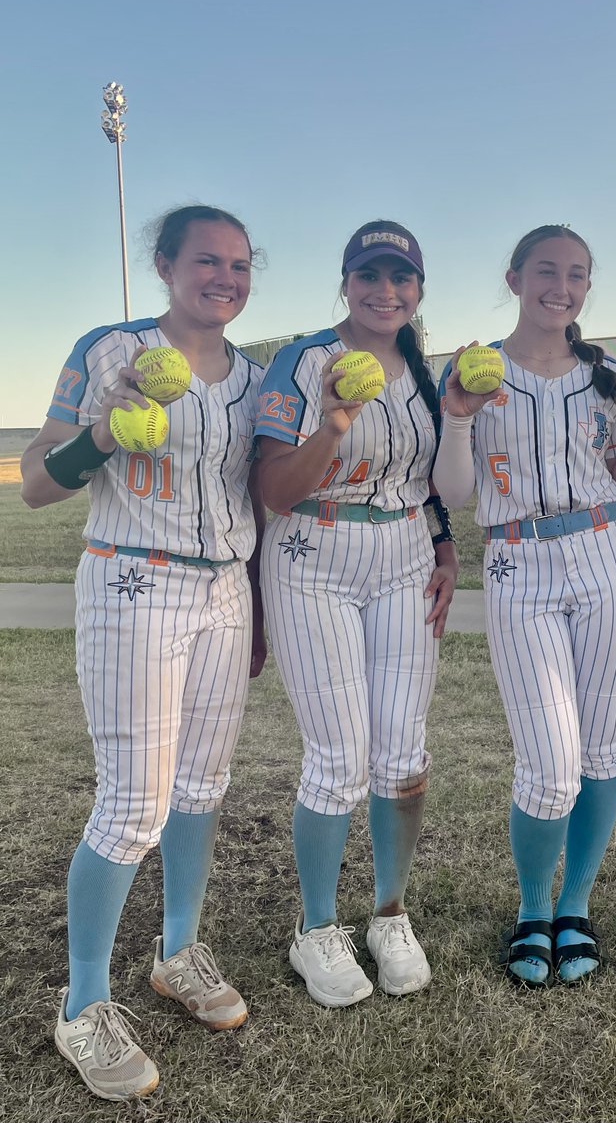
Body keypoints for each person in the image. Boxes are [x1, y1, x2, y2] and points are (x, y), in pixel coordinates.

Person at [21, 205, 267, 1100]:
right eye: (208, 260)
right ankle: (83, 1004)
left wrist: (263, 608)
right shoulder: (110, 349)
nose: (227, 278)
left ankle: (178, 953)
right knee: (134, 804)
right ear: (165, 263)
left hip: (226, 588)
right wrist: (100, 431)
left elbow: (259, 494)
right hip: (134, 579)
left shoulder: (258, 375)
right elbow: (37, 485)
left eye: (241, 265)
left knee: (203, 787)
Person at [433, 224, 616, 986]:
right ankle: (532, 908)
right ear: (514, 277)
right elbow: (455, 493)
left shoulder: (604, 373)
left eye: (576, 274)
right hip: (517, 558)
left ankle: (574, 905)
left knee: (602, 747)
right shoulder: (474, 370)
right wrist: (460, 414)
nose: (560, 286)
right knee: (549, 765)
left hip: (607, 551)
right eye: (546, 270)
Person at [254, 220, 456, 1008]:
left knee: (403, 754)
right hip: (315, 554)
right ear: (345, 283)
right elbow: (274, 489)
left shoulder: (425, 372)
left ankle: (390, 915)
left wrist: (443, 547)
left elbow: (430, 479)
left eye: (401, 278)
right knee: (338, 757)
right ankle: (316, 928)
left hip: (404, 555)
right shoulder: (304, 361)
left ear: (418, 290)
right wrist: (334, 421)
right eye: (369, 276)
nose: (386, 291)